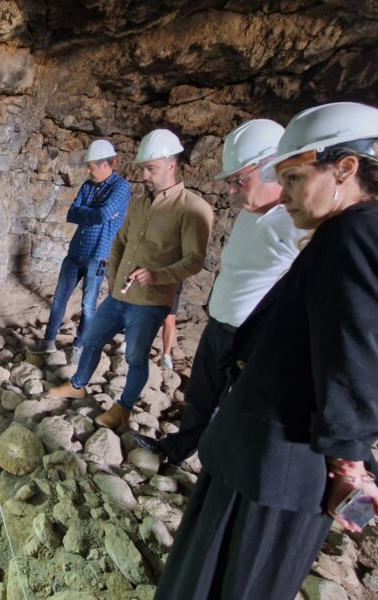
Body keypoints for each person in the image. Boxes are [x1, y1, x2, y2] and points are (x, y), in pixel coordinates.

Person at [155, 102, 378, 600]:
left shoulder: (354, 231)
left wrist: (349, 464)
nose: (289, 194)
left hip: (279, 461)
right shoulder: (343, 233)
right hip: (266, 456)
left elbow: (355, 354)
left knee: (232, 577)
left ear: (345, 167)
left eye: (295, 177)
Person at [135, 119, 304, 465]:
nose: (231, 190)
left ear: (272, 167)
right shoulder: (249, 213)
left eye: (238, 179)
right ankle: (178, 451)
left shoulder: (297, 222)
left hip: (253, 337)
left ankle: (219, 470)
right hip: (220, 325)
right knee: (200, 396)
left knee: (238, 409)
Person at [49, 129, 213, 431]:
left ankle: (123, 409)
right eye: (143, 169)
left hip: (151, 301)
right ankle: (78, 384)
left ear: (171, 165)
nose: (145, 175)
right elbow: (120, 241)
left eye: (151, 168)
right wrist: (113, 275)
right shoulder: (139, 204)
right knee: (92, 338)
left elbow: (194, 260)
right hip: (119, 295)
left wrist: (157, 275)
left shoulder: (194, 209)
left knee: (135, 357)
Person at [30, 139, 131, 365]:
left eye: (92, 166)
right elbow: (72, 214)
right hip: (75, 253)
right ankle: (48, 343)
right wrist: (93, 213)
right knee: (59, 299)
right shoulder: (87, 186)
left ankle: (79, 346)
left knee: (88, 306)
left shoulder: (121, 187)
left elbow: (103, 214)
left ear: (107, 165)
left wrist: (91, 212)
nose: (88, 170)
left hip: (99, 255)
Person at [160, 283, 182, 370]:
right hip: (148, 275)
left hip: (171, 281)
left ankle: (166, 356)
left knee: (169, 317)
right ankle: (127, 342)